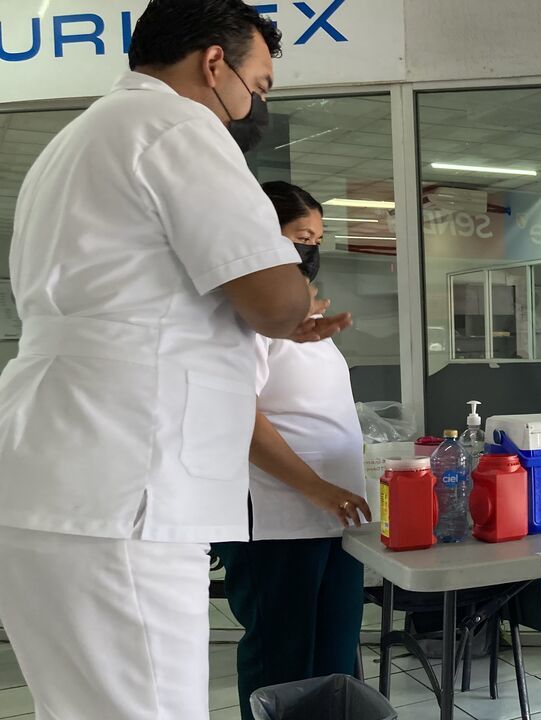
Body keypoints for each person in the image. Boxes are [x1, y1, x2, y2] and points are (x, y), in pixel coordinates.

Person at [0, 2, 351, 718]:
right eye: (258, 86)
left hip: (55, 473)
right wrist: (289, 299)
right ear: (214, 64)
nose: (255, 106)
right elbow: (274, 299)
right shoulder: (180, 127)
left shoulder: (79, 139)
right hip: (127, 484)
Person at [211, 182, 371, 720]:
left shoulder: (303, 326)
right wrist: (318, 488)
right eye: (302, 237)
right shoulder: (244, 319)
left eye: (317, 240)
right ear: (263, 235)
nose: (311, 250)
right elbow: (239, 418)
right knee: (281, 663)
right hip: (276, 520)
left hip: (335, 520)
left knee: (334, 662)